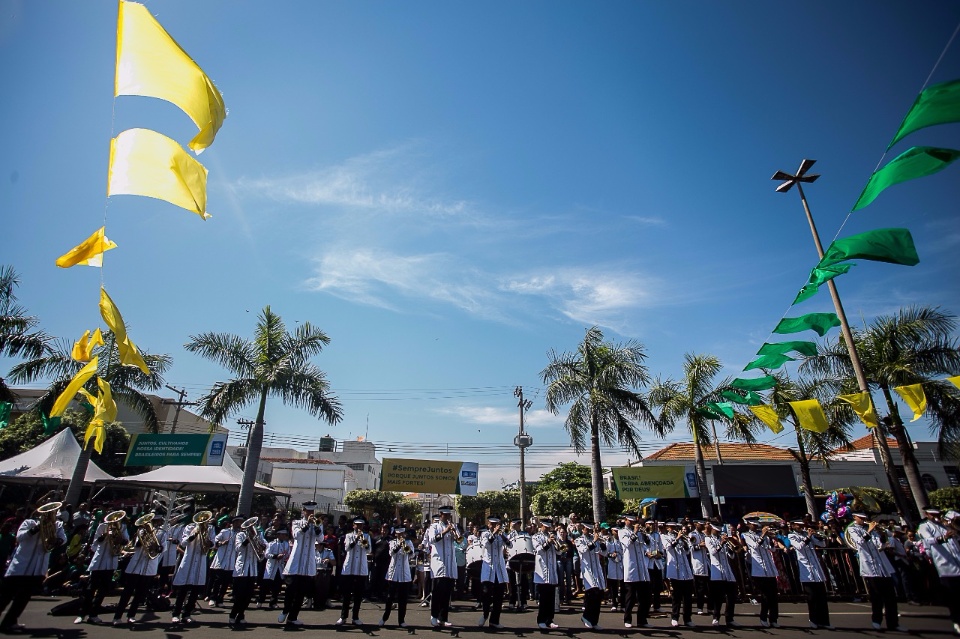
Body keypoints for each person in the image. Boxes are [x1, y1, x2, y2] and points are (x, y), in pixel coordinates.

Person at [0, 502, 67, 633]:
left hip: (37, 568)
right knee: (5, 596)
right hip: (20, 567)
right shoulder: (29, 523)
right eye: (47, 513)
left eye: (52, 513)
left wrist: (57, 541)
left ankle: (10, 622)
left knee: (22, 598)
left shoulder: (57, 525)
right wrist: (36, 529)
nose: (49, 516)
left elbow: (63, 539)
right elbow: (20, 537)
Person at [848, 512, 905, 632]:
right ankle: (876, 621)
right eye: (861, 518)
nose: (864, 520)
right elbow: (859, 543)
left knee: (891, 597)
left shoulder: (872, 529)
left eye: (865, 518)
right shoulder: (852, 529)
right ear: (854, 517)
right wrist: (869, 531)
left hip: (883, 566)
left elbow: (879, 545)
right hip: (870, 567)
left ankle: (893, 623)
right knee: (876, 596)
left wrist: (883, 537)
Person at [74, 510, 129, 624]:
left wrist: (120, 540)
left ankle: (93, 614)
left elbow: (126, 541)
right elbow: (95, 544)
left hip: (111, 561)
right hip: (99, 561)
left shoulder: (122, 527)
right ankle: (82, 614)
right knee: (90, 589)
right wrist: (103, 537)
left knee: (103, 589)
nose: (115, 521)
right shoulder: (102, 526)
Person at [112, 512, 166, 626]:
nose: (154, 524)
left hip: (149, 566)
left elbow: (162, 548)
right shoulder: (140, 532)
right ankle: (117, 616)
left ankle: (131, 615)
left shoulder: (162, 533)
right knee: (127, 592)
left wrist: (156, 546)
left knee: (140, 593)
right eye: (153, 521)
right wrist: (144, 540)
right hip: (136, 565)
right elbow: (135, 546)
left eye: (157, 521)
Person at [916, 508, 960, 635]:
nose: (936, 516)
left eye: (938, 514)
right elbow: (928, 541)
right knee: (953, 597)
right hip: (945, 566)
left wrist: (953, 527)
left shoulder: (945, 525)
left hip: (957, 561)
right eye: (933, 514)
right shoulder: (924, 526)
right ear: (927, 514)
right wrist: (943, 537)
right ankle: (956, 621)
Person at [279, 501, 323, 627]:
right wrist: (307, 524)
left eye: (312, 511)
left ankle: (293, 617)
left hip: (308, 562)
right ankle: (285, 610)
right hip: (296, 561)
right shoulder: (296, 523)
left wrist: (315, 527)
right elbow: (296, 535)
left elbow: (320, 539)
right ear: (303, 511)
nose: (310, 513)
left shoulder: (318, 523)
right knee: (290, 589)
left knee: (301, 592)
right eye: (308, 511)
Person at [171, 511, 216, 625]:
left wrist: (207, 540)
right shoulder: (189, 527)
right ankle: (176, 613)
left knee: (195, 590)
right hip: (188, 560)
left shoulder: (210, 528)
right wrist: (194, 534)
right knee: (183, 589)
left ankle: (187, 614)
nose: (203, 521)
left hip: (200, 560)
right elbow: (183, 543)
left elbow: (213, 544)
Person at [787, 519, 833, 629]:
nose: (801, 526)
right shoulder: (791, 536)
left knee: (822, 596)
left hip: (816, 568)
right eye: (799, 525)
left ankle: (825, 622)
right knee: (811, 597)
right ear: (793, 525)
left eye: (802, 525)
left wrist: (820, 535)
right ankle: (813, 620)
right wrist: (808, 537)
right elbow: (799, 547)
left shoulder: (808, 534)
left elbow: (822, 544)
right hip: (806, 569)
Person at [741, 518, 784, 628]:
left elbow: (772, 549)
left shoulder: (764, 535)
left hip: (770, 568)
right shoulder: (746, 535)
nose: (755, 527)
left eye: (757, 525)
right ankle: (763, 617)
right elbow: (754, 547)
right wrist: (763, 535)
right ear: (748, 524)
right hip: (759, 569)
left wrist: (771, 539)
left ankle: (774, 619)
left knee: (774, 596)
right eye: (753, 525)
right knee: (765, 596)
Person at [427, 506, 459, 627]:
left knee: (447, 593)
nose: (447, 517)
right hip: (439, 564)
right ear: (440, 515)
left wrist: (454, 533)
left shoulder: (453, 527)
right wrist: (446, 530)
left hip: (450, 565)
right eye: (445, 515)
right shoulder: (434, 527)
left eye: (449, 515)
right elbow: (432, 540)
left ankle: (443, 618)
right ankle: (433, 616)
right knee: (437, 592)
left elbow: (460, 541)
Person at [337, 516, 371, 626]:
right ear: (353, 525)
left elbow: (368, 549)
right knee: (346, 594)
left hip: (361, 568)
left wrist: (362, 540)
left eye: (361, 525)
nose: (359, 526)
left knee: (358, 594)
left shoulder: (366, 536)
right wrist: (356, 539)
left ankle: (355, 617)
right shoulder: (348, 536)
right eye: (357, 525)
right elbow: (347, 548)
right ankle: (343, 617)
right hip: (349, 568)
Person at [703, 522, 739, 628]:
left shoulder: (723, 539)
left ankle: (730, 618)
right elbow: (713, 552)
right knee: (718, 597)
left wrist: (731, 547)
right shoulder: (708, 539)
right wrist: (721, 543)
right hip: (717, 571)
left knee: (732, 597)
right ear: (712, 529)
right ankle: (716, 618)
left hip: (727, 571)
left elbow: (731, 556)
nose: (718, 532)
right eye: (716, 530)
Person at [229, 515, 263, 626]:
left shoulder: (258, 535)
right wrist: (247, 540)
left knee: (248, 595)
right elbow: (238, 548)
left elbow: (266, 546)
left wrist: (261, 545)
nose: (250, 528)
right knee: (239, 595)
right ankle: (233, 615)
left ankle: (241, 614)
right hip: (241, 569)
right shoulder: (240, 535)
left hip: (252, 569)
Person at [478, 516, 510, 629]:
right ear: (488, 524)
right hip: (488, 568)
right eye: (492, 524)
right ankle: (485, 614)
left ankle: (494, 621)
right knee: (486, 594)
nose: (494, 526)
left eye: (496, 524)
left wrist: (502, 535)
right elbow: (486, 544)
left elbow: (510, 545)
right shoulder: (485, 534)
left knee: (499, 596)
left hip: (499, 569)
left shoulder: (501, 535)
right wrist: (494, 534)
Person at [380, 526, 416, 628]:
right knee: (390, 597)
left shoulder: (408, 543)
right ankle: (384, 618)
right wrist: (399, 545)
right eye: (398, 534)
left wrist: (405, 546)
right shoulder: (392, 542)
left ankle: (401, 620)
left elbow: (411, 555)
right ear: (396, 534)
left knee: (403, 599)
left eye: (402, 534)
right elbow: (391, 553)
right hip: (393, 573)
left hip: (404, 574)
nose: (400, 536)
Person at [620, 515, 651, 628]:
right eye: (631, 521)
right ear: (626, 521)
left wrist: (644, 535)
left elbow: (647, 545)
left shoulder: (639, 533)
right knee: (630, 598)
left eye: (634, 521)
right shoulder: (622, 532)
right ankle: (627, 619)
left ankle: (642, 620)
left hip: (642, 569)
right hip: (631, 569)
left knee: (645, 598)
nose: (633, 522)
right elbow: (627, 544)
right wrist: (635, 532)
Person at [663, 521, 694, 628]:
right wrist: (677, 539)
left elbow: (687, 551)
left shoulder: (681, 538)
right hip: (675, 571)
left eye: (675, 527)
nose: (674, 529)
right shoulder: (665, 537)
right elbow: (668, 548)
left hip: (686, 570)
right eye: (672, 527)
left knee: (688, 597)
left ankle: (688, 619)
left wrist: (684, 541)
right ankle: (674, 617)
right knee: (677, 596)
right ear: (667, 528)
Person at [575, 522, 605, 630]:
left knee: (599, 595)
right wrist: (594, 541)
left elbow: (604, 553)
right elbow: (583, 550)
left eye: (590, 529)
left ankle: (594, 621)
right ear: (582, 529)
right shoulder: (579, 540)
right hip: (587, 570)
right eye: (586, 529)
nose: (589, 531)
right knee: (592, 594)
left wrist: (602, 543)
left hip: (597, 570)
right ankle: (586, 617)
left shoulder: (595, 539)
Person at [207, 515, 241, 607]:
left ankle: (220, 599)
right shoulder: (225, 531)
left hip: (231, 560)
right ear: (233, 522)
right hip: (222, 559)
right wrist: (221, 543)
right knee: (218, 580)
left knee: (226, 581)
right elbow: (215, 541)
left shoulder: (240, 534)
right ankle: (213, 598)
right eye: (238, 522)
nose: (239, 524)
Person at [532, 518, 559, 629]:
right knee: (543, 598)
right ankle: (541, 620)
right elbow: (539, 550)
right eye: (546, 527)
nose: (548, 529)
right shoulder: (536, 537)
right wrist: (548, 542)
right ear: (542, 526)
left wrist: (556, 544)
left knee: (551, 597)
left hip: (552, 570)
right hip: (542, 571)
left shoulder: (553, 536)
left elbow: (559, 551)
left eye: (549, 527)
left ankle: (549, 620)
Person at [259, 528, 289, 610]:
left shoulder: (286, 544)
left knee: (277, 586)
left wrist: (283, 556)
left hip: (280, 567)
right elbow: (266, 554)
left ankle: (273, 602)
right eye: (282, 534)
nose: (283, 536)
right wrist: (275, 556)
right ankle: (260, 600)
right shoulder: (272, 544)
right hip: (271, 567)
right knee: (265, 585)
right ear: (278, 535)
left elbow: (287, 554)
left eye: (284, 535)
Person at [688, 520, 711, 616]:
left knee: (710, 588)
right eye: (700, 524)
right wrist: (699, 545)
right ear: (696, 524)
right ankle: (700, 607)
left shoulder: (704, 535)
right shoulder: (692, 534)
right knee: (700, 588)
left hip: (706, 563)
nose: (702, 526)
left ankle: (710, 608)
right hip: (697, 564)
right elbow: (690, 548)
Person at [646, 521, 665, 614]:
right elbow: (643, 549)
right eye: (649, 524)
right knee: (649, 586)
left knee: (657, 586)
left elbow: (661, 549)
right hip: (648, 563)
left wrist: (658, 553)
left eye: (652, 525)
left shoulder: (657, 535)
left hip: (657, 562)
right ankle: (648, 605)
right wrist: (649, 553)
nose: (651, 526)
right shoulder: (644, 534)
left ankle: (657, 605)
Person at [604, 526, 623, 611]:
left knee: (623, 586)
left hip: (621, 564)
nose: (616, 533)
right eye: (615, 531)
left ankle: (623, 604)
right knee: (613, 585)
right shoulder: (609, 542)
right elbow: (605, 553)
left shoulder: (622, 541)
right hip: (612, 564)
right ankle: (614, 604)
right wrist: (611, 555)